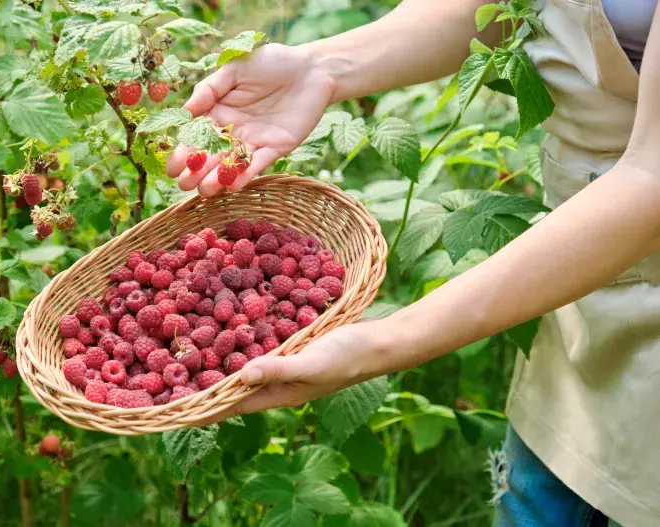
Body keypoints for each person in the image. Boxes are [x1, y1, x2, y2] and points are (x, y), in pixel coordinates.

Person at [166, 1, 660, 525]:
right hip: (571, 273)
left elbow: (650, 182)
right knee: (546, 485)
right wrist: (322, 67)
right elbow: (488, 9)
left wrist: (382, 341)